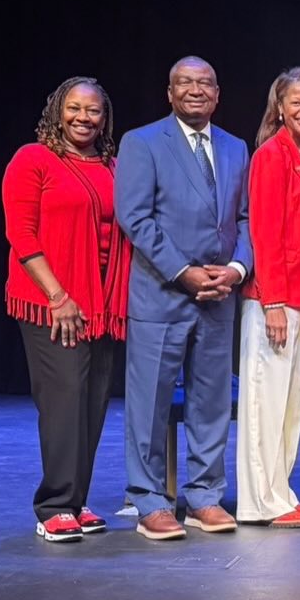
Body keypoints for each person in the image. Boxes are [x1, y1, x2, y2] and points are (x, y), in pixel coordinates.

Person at [115, 56, 252, 540]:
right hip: (162, 295)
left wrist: (235, 270)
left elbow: (245, 220)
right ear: (169, 93)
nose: (195, 91)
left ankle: (204, 497)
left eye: (205, 84)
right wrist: (184, 272)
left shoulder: (236, 147)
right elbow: (135, 217)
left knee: (212, 402)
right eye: (184, 83)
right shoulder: (143, 142)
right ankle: (150, 499)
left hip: (219, 296)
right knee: (149, 402)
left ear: (217, 94)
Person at [2, 77, 132, 542]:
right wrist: (58, 297)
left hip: (100, 302)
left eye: (93, 110)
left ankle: (75, 501)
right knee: (63, 401)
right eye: (74, 108)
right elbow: (22, 234)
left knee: (92, 403)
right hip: (51, 301)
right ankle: (54, 505)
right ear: (58, 110)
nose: (83, 117)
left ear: (105, 117)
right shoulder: (33, 159)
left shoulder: (114, 165)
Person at [236, 67, 300, 530]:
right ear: (279, 108)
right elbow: (265, 233)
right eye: (295, 101)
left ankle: (280, 490)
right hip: (273, 298)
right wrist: (272, 300)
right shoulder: (271, 156)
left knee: (291, 398)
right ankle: (259, 501)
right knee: (265, 399)